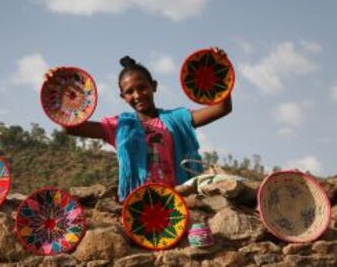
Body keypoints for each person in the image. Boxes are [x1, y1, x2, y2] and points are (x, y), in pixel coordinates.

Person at [49, 49, 232, 202]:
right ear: (123, 97)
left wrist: (219, 68)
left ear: (153, 86)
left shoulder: (177, 118)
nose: (137, 95)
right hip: (137, 206)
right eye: (129, 92)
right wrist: (58, 89)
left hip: (176, 201)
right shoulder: (120, 126)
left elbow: (223, 108)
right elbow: (70, 127)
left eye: (142, 87)